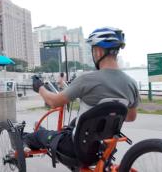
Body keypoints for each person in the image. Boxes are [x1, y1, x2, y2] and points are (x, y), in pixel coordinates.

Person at [24, 27, 140, 160]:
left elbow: (54, 102)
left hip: (76, 149)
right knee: (74, 123)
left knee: (40, 134)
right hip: (104, 149)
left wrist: (40, 88)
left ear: (98, 51)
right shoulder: (131, 83)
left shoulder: (87, 79)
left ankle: (24, 141)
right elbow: (131, 117)